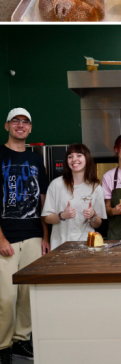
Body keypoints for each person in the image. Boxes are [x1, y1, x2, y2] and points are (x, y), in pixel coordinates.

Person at [0, 109, 49, 364]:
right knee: (6, 297)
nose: (20, 125)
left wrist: (44, 235)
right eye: (16, 121)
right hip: (5, 238)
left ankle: (21, 341)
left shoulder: (35, 160)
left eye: (25, 122)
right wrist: (0, 239)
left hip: (32, 236)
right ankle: (3, 346)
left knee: (28, 294)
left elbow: (42, 200)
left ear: (30, 128)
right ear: (7, 125)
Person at [42, 143, 106, 249]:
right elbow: (47, 218)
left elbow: (97, 224)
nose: (74, 159)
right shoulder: (56, 184)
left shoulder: (96, 188)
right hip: (59, 246)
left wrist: (93, 215)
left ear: (87, 158)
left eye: (79, 155)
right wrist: (62, 215)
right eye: (70, 156)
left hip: (86, 246)